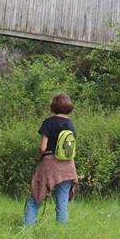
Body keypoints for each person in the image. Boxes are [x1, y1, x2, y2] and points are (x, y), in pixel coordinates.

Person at [24, 93, 78, 226]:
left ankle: (28, 229)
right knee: (62, 202)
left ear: (53, 106)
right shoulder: (71, 125)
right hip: (67, 166)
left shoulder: (48, 123)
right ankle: (61, 232)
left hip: (49, 165)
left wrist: (37, 156)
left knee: (36, 197)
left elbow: (43, 147)